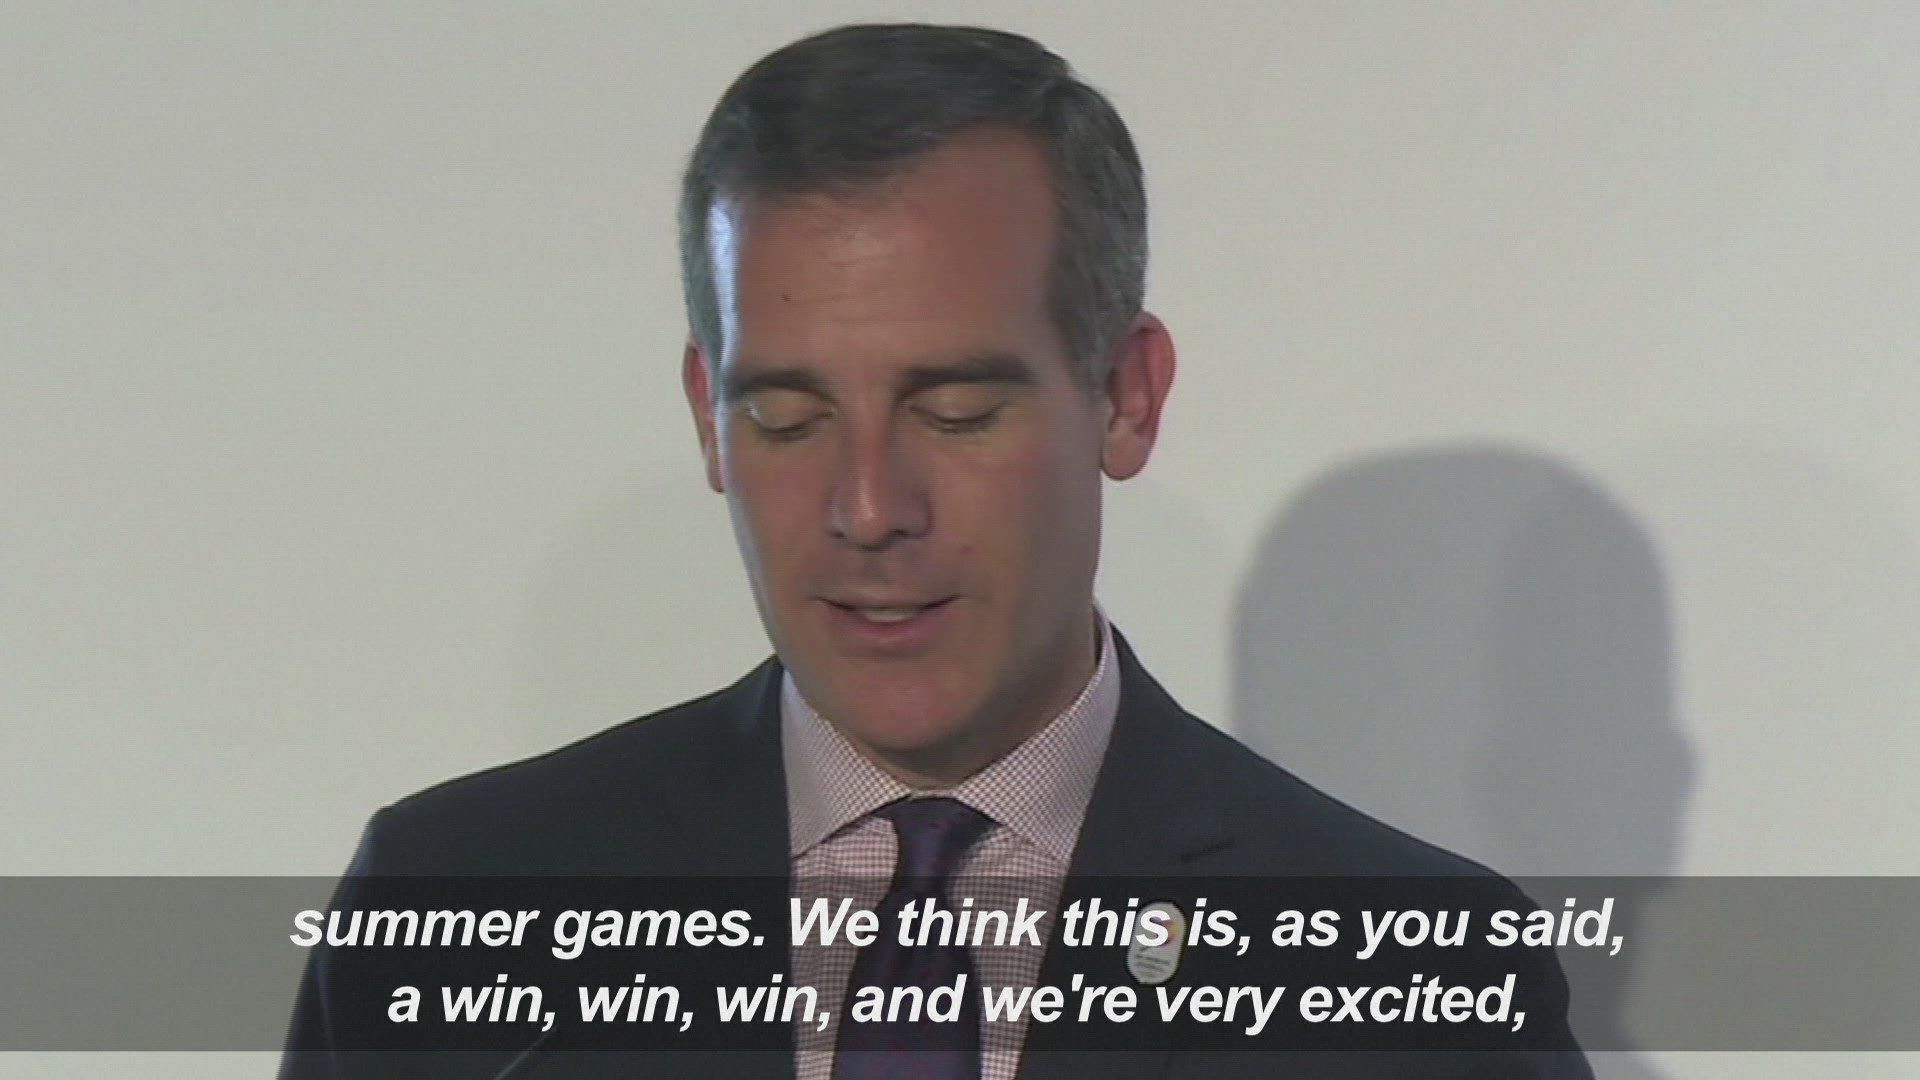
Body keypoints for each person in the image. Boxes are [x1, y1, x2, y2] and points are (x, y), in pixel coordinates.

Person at [283, 23, 1591, 1079]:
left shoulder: (1413, 983)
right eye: (787, 418)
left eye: (955, 410)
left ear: (1125, 398)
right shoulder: (448, 905)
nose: (868, 507)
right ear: (707, 418)